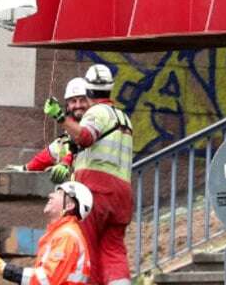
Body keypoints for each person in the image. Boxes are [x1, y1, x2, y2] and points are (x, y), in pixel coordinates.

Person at [68, 64, 134, 285]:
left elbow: (85, 137)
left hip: (95, 191)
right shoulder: (125, 119)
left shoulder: (96, 112)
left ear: (88, 91)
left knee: (88, 245)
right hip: (122, 194)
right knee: (114, 250)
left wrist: (61, 118)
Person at [0, 180, 94, 285]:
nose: (51, 195)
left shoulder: (66, 236)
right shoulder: (61, 233)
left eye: (59, 193)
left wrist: (6, 269)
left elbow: (48, 279)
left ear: (69, 206)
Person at [14, 77, 91, 182]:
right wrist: (25, 168)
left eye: (82, 100)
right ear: (68, 106)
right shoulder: (64, 141)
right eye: (73, 101)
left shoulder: (96, 125)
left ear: (90, 102)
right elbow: (45, 157)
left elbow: (83, 142)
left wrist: (66, 163)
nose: (78, 105)